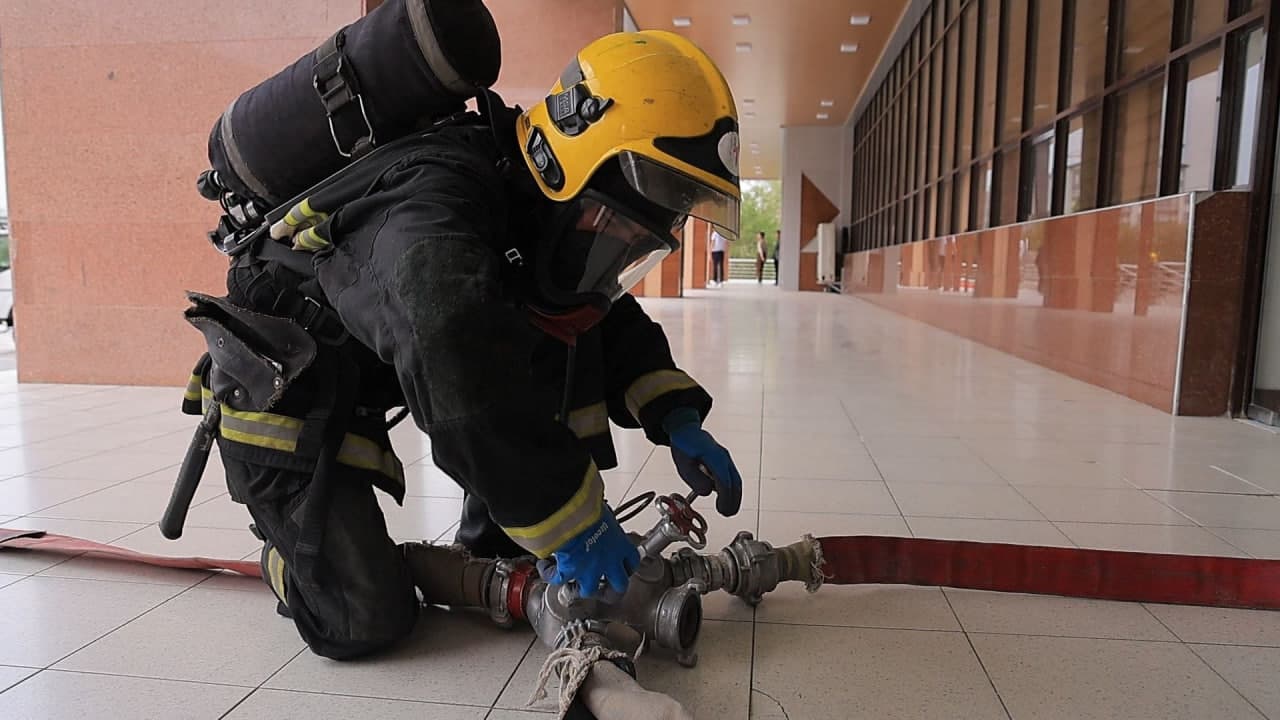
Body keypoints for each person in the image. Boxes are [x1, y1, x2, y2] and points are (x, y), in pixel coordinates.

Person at [183, 31, 745, 661]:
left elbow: (599, 316)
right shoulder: (432, 209)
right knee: (361, 618)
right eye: (624, 221)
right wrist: (576, 520)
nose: (637, 241)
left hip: (374, 355)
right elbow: (451, 350)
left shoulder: (528, 199)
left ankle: (501, 546)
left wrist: (675, 415)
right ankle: (291, 556)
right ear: (572, 158)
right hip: (288, 378)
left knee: (557, 326)